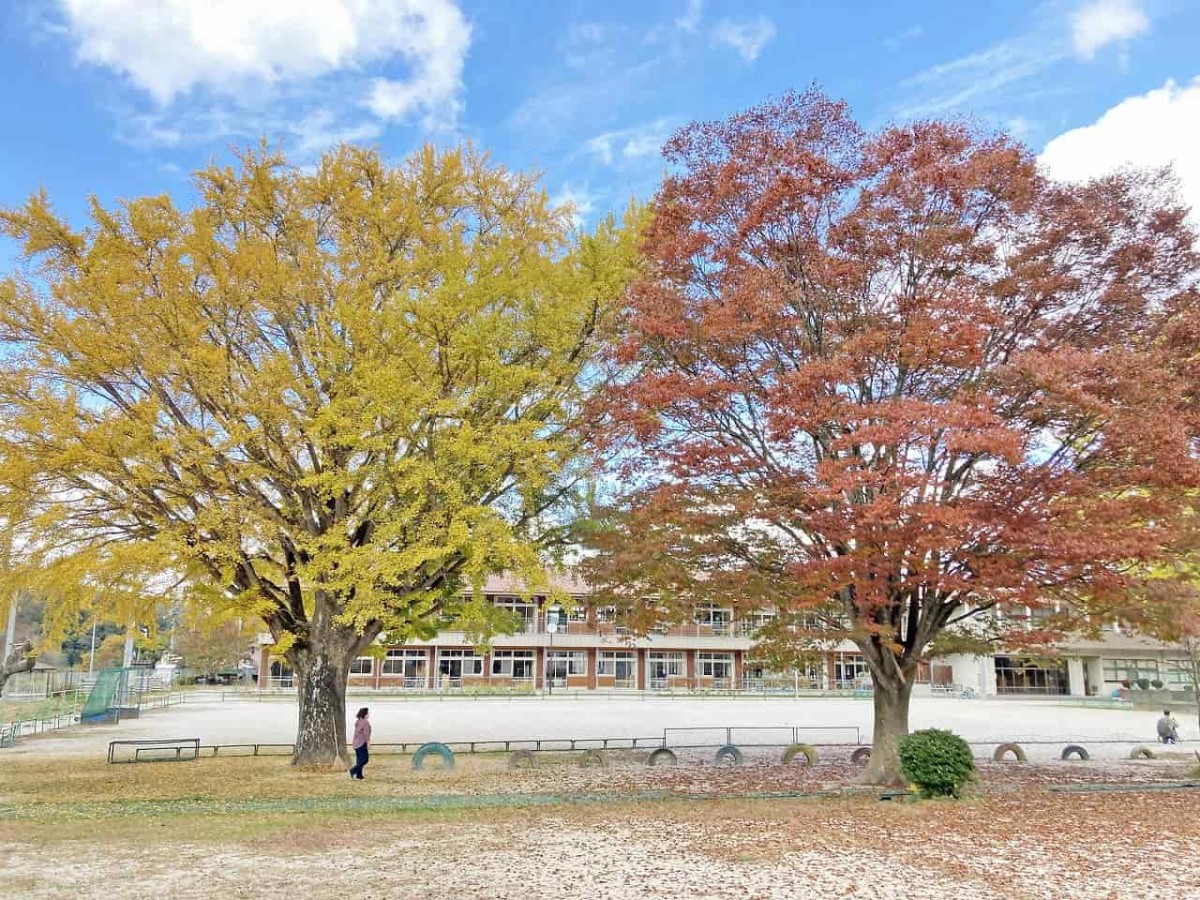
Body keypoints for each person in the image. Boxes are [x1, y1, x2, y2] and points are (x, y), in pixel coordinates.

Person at [349, 707, 371, 779]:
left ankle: (359, 776)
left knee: (359, 760)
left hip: (356, 743)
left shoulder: (358, 721)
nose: (369, 714)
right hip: (362, 743)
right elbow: (366, 734)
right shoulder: (365, 722)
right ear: (365, 714)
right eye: (368, 713)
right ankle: (353, 770)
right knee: (365, 759)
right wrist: (368, 742)